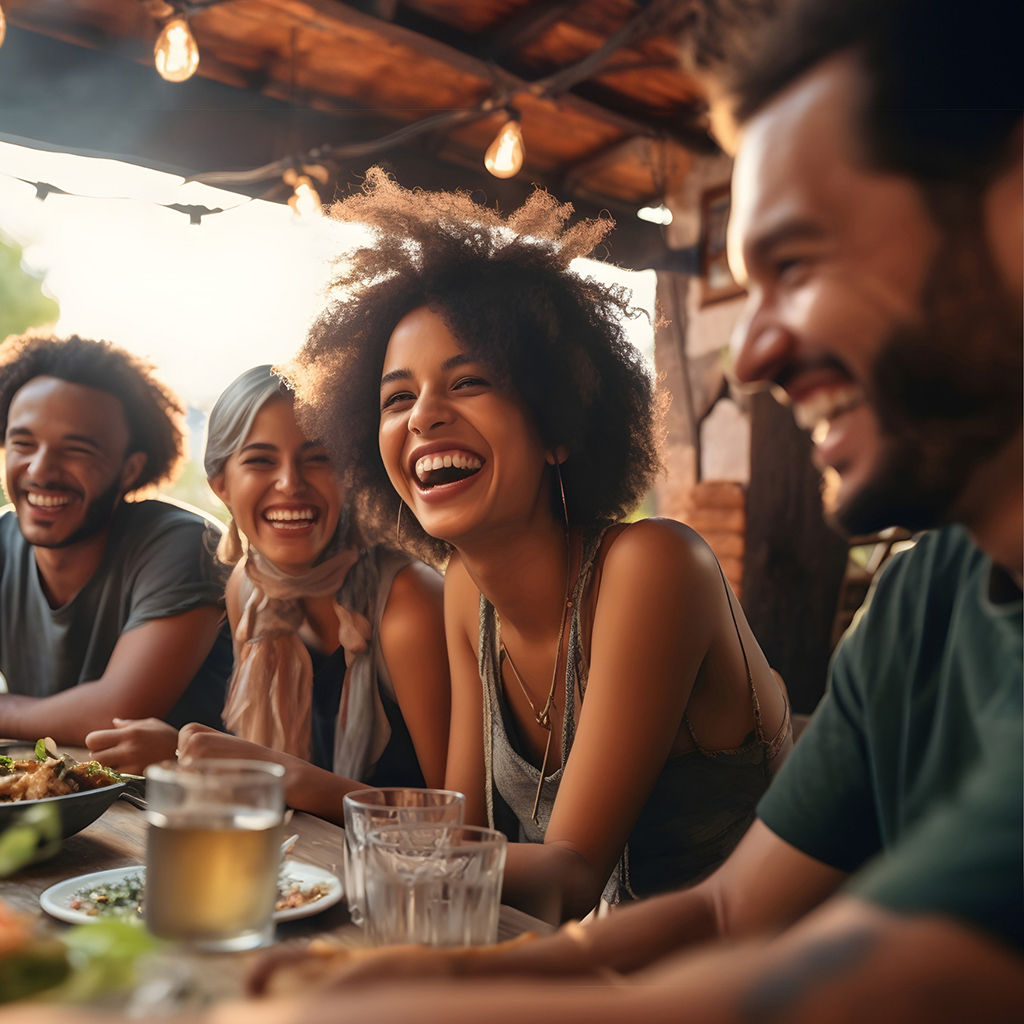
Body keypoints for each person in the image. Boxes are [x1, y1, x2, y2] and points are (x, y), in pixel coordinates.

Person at [236, 0, 1022, 1017]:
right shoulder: (923, 597)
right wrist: (442, 971)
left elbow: (912, 974)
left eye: (797, 264)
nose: (752, 354)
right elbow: (727, 912)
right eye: (396, 396)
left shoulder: (652, 565)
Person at [284, 167, 792, 923]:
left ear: (557, 427)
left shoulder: (654, 568)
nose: (423, 417)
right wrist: (287, 781)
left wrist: (302, 791)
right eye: (397, 397)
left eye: (469, 383)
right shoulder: (465, 591)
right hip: (597, 973)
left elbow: (569, 874)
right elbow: (464, 837)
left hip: (763, 982)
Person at [88, 365, 450, 820]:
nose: (290, 483)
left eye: (317, 458)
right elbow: (261, 780)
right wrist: (179, 753)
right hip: (299, 867)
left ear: (350, 475)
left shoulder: (407, 604)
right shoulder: (248, 589)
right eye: (260, 460)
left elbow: (454, 820)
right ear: (221, 484)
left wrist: (274, 772)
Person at [0, 334, 231, 746]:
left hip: (179, 804)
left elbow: (116, 713)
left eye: (76, 449)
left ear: (130, 469)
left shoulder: (184, 544)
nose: (41, 468)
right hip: (57, 798)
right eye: (23, 443)